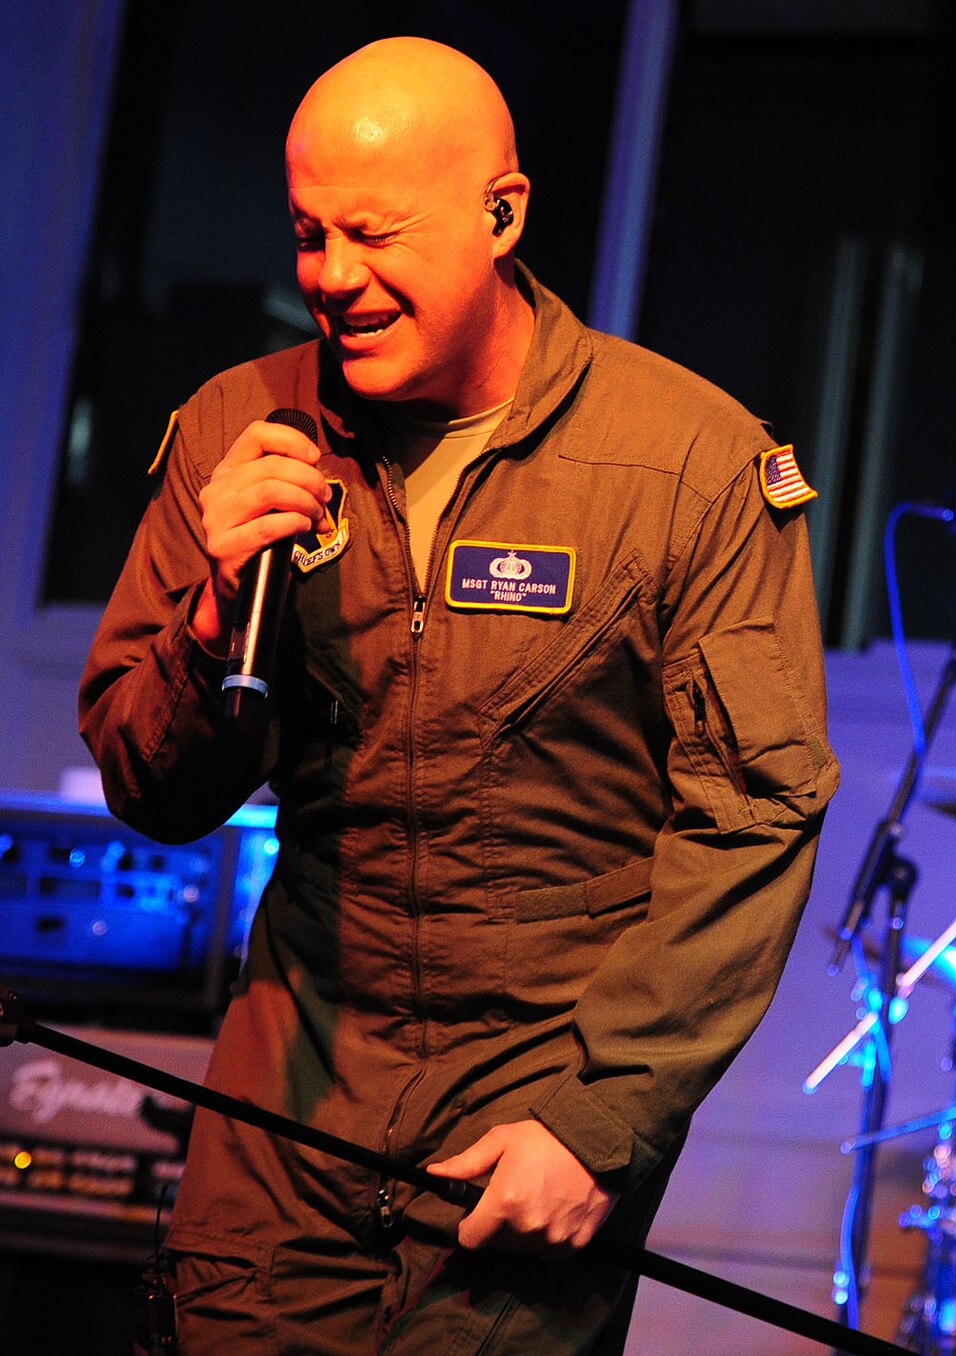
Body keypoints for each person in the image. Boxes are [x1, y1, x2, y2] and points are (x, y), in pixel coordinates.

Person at [78, 37, 839, 1353]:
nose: (331, 278)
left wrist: (597, 1127)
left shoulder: (690, 465)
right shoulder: (237, 424)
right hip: (291, 1093)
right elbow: (150, 793)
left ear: (502, 214)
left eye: (372, 235)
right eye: (310, 234)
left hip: (529, 1117)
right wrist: (209, 619)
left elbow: (755, 819)